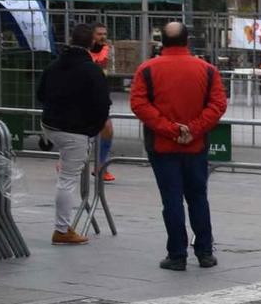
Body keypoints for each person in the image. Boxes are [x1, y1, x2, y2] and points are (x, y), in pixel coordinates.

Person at [129, 21, 228, 271]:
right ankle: (205, 252)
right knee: (198, 197)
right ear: (187, 41)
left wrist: (170, 129)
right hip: (195, 145)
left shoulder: (147, 70)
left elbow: (139, 105)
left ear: (162, 41)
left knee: (171, 199)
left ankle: (177, 254)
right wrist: (193, 129)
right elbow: (218, 105)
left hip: (162, 146)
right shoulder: (207, 70)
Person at [36, 23, 112, 247]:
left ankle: (63, 228)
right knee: (67, 180)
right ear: (91, 43)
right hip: (76, 131)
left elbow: (40, 94)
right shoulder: (91, 70)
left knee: (66, 176)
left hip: (51, 125)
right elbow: (102, 104)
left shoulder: (53, 66)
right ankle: (62, 229)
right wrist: (92, 128)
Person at [89, 24, 117, 183]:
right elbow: (97, 61)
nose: (103, 37)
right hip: (83, 96)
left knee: (107, 129)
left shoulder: (106, 49)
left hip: (100, 96)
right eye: (99, 34)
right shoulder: (85, 51)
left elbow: (103, 63)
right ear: (92, 36)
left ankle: (100, 166)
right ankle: (65, 162)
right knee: (81, 132)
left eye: (105, 34)